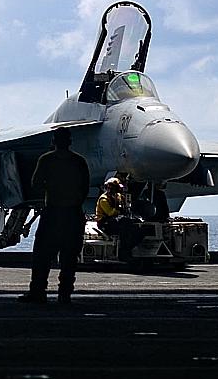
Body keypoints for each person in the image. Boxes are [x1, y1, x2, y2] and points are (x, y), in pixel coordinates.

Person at [19, 127, 91, 305]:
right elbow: (85, 188)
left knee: (42, 255)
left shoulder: (46, 160)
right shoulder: (79, 161)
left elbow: (36, 183)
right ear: (70, 141)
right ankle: (64, 294)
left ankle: (38, 292)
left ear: (53, 141)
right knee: (69, 257)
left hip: (52, 212)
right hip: (73, 213)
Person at [95, 177, 141, 263]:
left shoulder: (119, 196)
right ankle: (123, 252)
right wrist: (119, 208)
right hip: (105, 223)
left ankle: (128, 248)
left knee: (135, 225)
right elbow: (110, 213)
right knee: (124, 227)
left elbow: (124, 209)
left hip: (116, 221)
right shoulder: (103, 199)